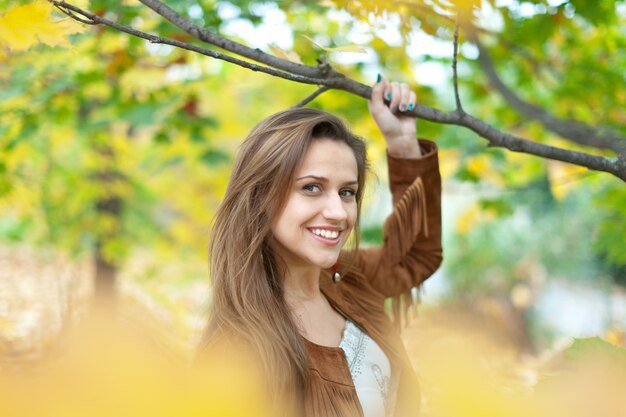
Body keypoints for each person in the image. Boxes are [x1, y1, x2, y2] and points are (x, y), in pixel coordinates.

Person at [202, 75, 442, 417]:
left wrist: (403, 144)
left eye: (347, 192)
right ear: (259, 197)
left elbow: (416, 254)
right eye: (312, 188)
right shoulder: (236, 354)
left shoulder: (350, 280)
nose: (338, 212)